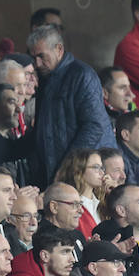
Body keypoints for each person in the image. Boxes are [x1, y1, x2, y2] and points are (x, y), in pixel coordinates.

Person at [26, 24, 115, 186]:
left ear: (59, 49)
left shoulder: (82, 75)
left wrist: (67, 168)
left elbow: (94, 126)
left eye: (41, 56)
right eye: (33, 58)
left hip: (82, 172)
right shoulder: (45, 79)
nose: (37, 64)